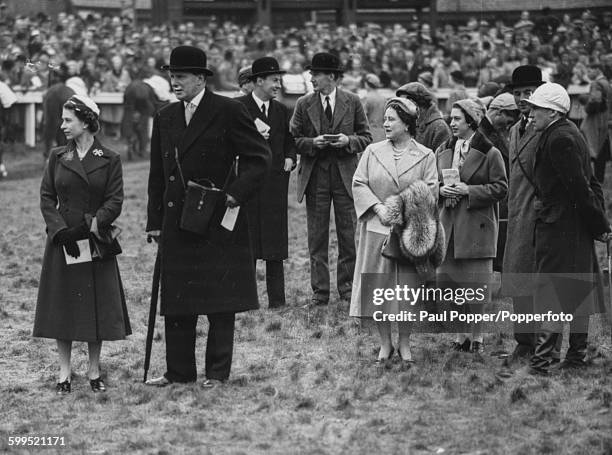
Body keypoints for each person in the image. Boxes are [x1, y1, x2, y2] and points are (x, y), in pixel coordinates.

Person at [145, 46, 270, 388]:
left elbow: (260, 158)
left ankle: (217, 373)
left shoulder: (228, 110)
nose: (175, 82)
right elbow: (158, 175)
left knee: (220, 301)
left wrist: (235, 194)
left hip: (217, 222)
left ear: (201, 78)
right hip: (177, 223)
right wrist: (154, 222)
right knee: (178, 300)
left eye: (181, 76)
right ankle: (178, 372)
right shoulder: (165, 116)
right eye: (172, 76)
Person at [33, 94, 131, 394]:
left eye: (68, 120)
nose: (62, 125)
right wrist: (60, 231)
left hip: (93, 239)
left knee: (95, 304)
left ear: (86, 121)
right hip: (62, 241)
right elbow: (47, 197)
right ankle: (64, 372)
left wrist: (89, 227)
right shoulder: (57, 156)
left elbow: (115, 200)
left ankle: (93, 370)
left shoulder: (110, 158)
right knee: (63, 304)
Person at [525, 83, 610, 375]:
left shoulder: (559, 138)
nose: (531, 113)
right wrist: (599, 223)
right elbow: (590, 184)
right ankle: (574, 357)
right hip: (570, 227)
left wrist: (599, 224)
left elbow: (580, 188)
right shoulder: (565, 132)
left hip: (561, 227)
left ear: (551, 112)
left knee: (552, 291)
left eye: (536, 108)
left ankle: (543, 361)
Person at [350, 97, 439, 365]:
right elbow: (359, 183)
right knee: (379, 288)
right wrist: (378, 208)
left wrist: (401, 210)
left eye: (391, 119)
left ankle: (405, 343)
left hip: (408, 233)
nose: (385, 124)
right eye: (385, 119)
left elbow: (430, 190)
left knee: (406, 291)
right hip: (377, 230)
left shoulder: (425, 155)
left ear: (407, 124)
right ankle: (385, 343)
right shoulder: (372, 151)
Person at [290, 52, 372, 306]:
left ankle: (347, 289)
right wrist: (312, 143)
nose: (311, 78)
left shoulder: (353, 101)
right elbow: (293, 140)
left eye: (316, 74)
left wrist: (348, 141)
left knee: (348, 235)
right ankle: (320, 292)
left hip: (345, 176)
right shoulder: (304, 104)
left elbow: (366, 137)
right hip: (316, 178)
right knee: (317, 237)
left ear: (332, 77)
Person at [436, 99, 508, 353]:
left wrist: (469, 190)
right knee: (452, 284)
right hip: (450, 227)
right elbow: (433, 183)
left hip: (477, 227)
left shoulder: (491, 153)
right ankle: (460, 334)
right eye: (451, 118)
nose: (451, 123)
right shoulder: (443, 150)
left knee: (476, 286)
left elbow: (501, 187)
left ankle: (476, 336)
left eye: (456, 118)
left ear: (471, 120)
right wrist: (441, 190)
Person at [236, 57, 296, 308]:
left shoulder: (281, 111)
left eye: (279, 80)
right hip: (247, 186)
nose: (278, 85)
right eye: (274, 80)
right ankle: (245, 299)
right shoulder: (237, 107)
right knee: (246, 243)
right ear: (258, 81)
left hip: (274, 187)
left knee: (275, 245)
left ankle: (277, 302)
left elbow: (289, 141)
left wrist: (291, 158)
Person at [502, 65, 546, 362]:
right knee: (518, 277)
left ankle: (541, 343)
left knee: (537, 280)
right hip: (516, 214)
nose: (521, 98)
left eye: (527, 93)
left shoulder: (546, 128)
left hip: (538, 216)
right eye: (517, 93)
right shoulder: (514, 129)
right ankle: (523, 340)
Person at [478, 93, 519, 273]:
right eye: (507, 120)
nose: (508, 125)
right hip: (490, 195)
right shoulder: (481, 133)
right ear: (499, 112)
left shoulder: (495, 131)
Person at [395, 82, 451, 152]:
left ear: (415, 102)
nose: (401, 108)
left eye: (404, 103)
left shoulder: (439, 127)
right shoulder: (407, 124)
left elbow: (442, 160)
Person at [580, 61, 611, 183]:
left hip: (594, 120)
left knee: (591, 148)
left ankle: (593, 178)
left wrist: (585, 105)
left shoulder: (597, 83)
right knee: (600, 148)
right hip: (603, 118)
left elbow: (594, 102)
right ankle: (599, 178)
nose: (588, 73)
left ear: (597, 70)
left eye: (590, 70)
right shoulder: (606, 82)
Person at [362, 73, 386, 143]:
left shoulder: (366, 98)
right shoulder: (383, 98)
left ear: (367, 84)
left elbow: (362, 117)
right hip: (382, 133)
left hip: (370, 133)